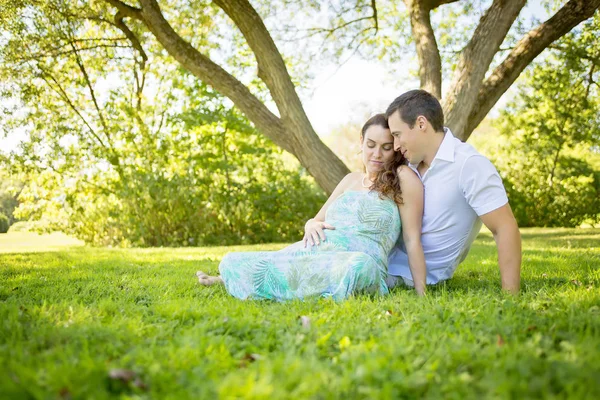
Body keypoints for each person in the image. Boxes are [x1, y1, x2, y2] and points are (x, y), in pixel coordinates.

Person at [197, 114, 426, 300]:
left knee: (358, 267)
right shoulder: (350, 180)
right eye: (371, 145)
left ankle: (264, 283)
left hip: (356, 262)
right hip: (316, 251)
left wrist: (421, 293)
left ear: (395, 149)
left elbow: (412, 239)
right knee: (230, 261)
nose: (377, 154)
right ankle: (231, 277)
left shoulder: (402, 178)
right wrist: (310, 225)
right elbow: (316, 220)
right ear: (361, 143)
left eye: (386, 147)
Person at [385, 90, 522, 294]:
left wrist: (511, 295)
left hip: (405, 275)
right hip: (382, 257)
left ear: (421, 124)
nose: (395, 145)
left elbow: (504, 227)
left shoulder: (469, 165)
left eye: (397, 135)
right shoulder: (410, 164)